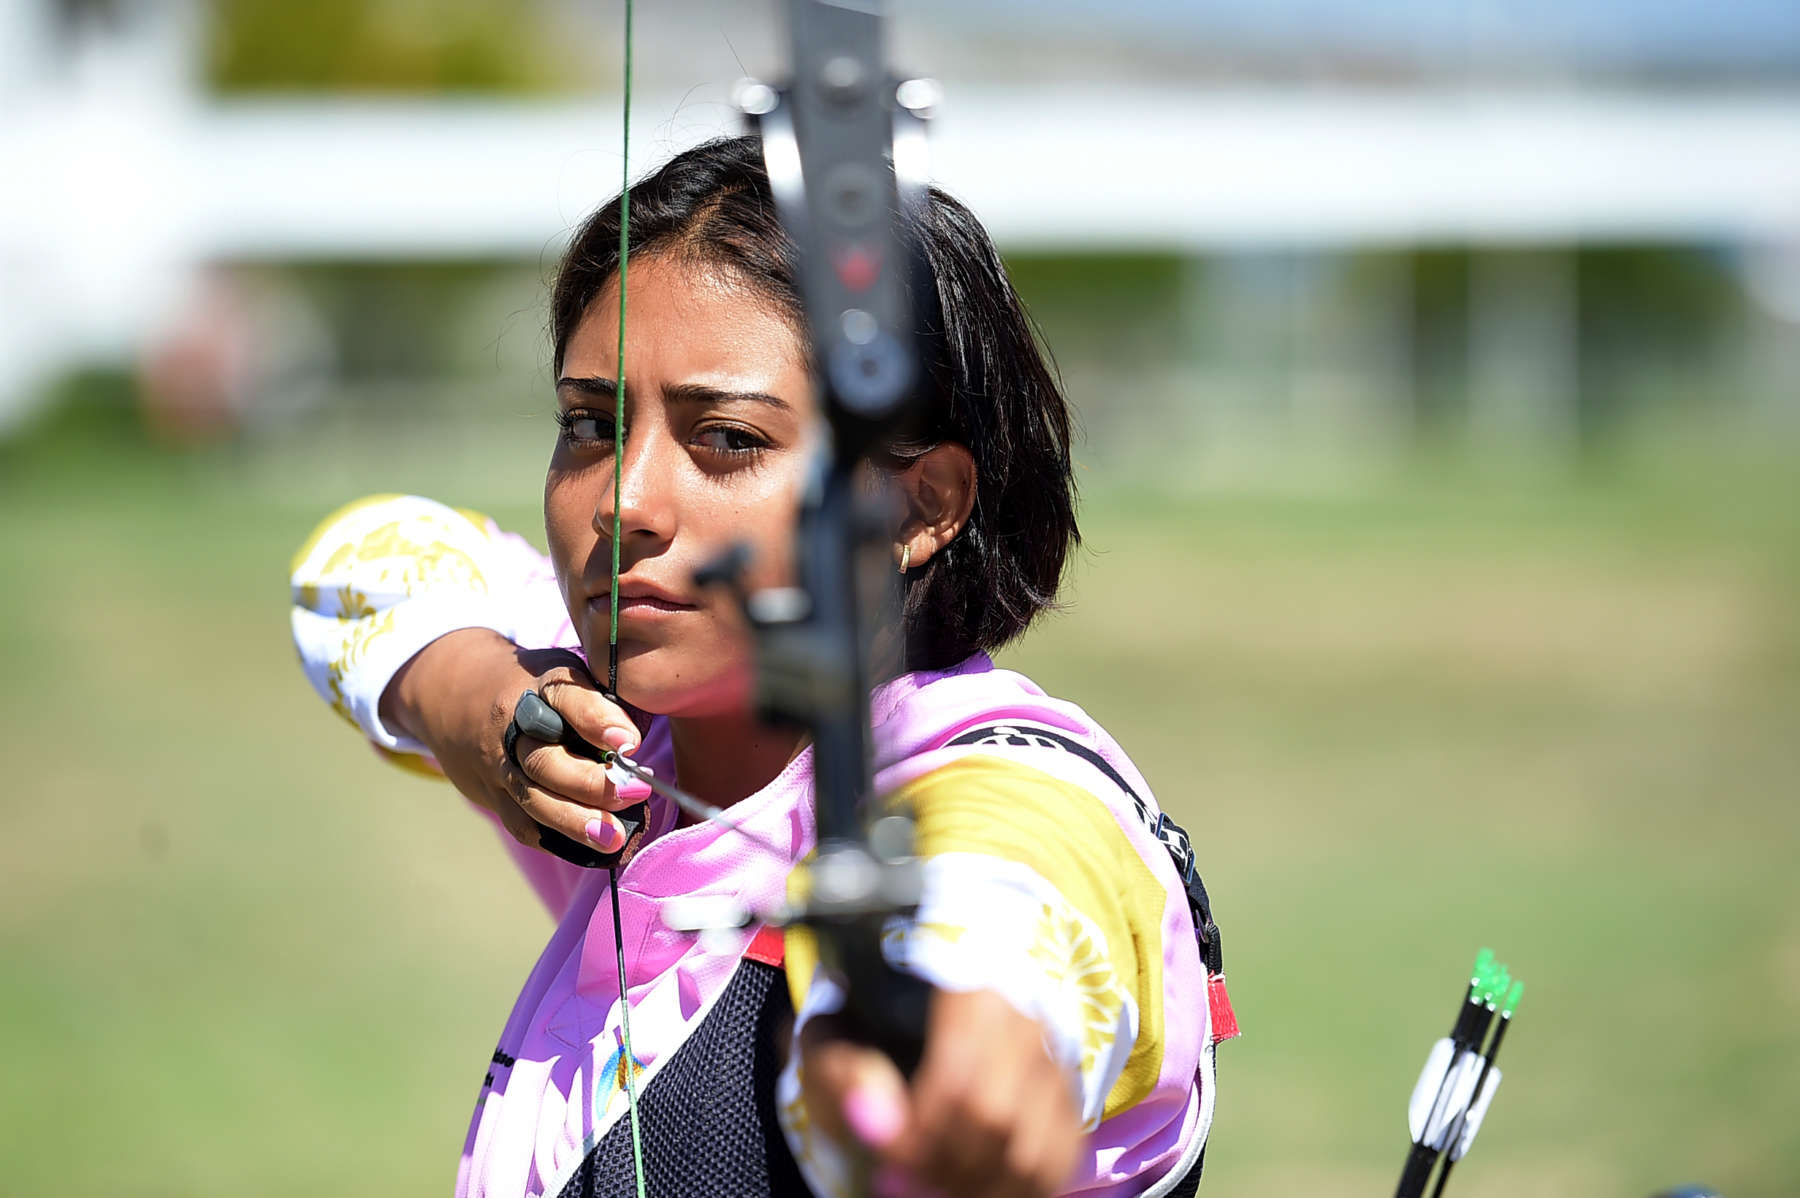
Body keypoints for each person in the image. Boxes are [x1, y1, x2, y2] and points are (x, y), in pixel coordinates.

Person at [289, 135, 1226, 1198]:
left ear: (918, 504)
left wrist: (959, 1035)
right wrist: (485, 714)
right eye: (591, 424)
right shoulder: (630, 755)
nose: (622, 499)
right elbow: (355, 571)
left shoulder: (1014, 791)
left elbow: (1011, 903)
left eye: (727, 438)